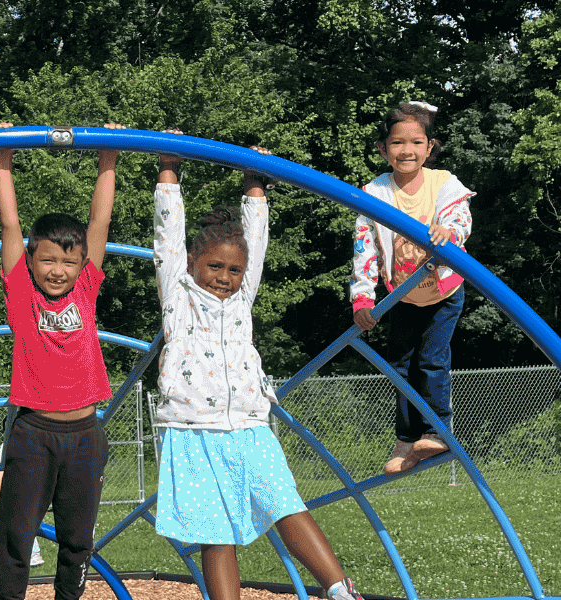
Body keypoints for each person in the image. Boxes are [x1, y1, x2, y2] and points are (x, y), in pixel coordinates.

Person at [149, 136, 364, 600]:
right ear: (191, 263)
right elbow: (167, 234)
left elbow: (257, 242)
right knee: (215, 530)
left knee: (285, 501)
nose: (224, 278)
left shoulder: (243, 299)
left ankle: (339, 589)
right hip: (191, 429)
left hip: (248, 424)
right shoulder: (179, 296)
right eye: (214, 266)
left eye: (233, 270)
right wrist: (168, 169)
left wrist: (255, 182)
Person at [0, 122, 121, 600]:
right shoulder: (22, 292)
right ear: (31, 260)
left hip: (86, 434)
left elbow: (99, 224)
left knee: (77, 541)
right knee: (17, 540)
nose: (58, 271)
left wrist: (109, 156)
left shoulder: (86, 287)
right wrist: (3, 155)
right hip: (34, 434)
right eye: (47, 260)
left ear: (82, 264)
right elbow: (10, 225)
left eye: (69, 262)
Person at [349, 101, 475, 475]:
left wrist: (449, 232)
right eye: (397, 143)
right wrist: (362, 296)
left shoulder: (443, 183)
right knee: (399, 367)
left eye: (416, 142)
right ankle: (407, 441)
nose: (407, 151)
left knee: (432, 360)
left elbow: (461, 218)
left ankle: (438, 432)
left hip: (442, 292)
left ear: (430, 147)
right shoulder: (374, 193)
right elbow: (364, 246)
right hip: (399, 295)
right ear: (382, 149)